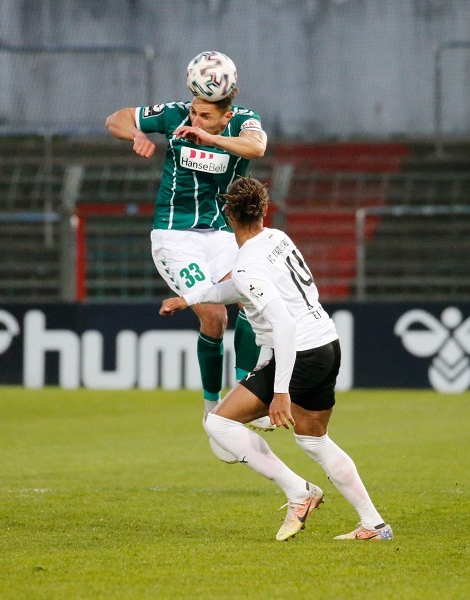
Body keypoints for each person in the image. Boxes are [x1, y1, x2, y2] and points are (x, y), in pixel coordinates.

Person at [160, 177, 392, 541]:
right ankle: (374, 525)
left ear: (227, 215)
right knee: (314, 441)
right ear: (264, 211)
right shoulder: (277, 238)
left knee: (218, 424)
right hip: (326, 344)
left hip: (298, 352)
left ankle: (299, 493)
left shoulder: (247, 263)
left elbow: (281, 324)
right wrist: (188, 298)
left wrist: (280, 393)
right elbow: (237, 286)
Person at [105, 52, 274, 456]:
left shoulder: (243, 121)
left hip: (220, 233)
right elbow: (117, 117)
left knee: (253, 295)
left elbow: (257, 147)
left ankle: (242, 395)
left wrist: (212, 139)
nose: (195, 121)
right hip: (175, 235)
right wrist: (137, 135)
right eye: (194, 113)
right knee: (214, 315)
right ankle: (211, 410)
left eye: (206, 116)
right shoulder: (174, 115)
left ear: (226, 112)